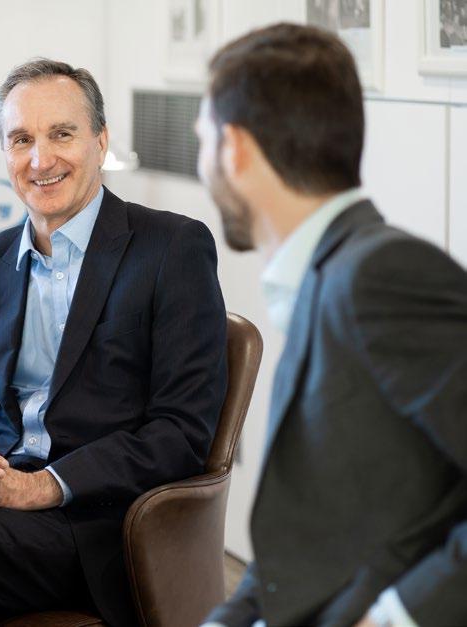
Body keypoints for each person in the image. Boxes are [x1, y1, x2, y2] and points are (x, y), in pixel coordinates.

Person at [0, 58, 228, 626]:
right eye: (22, 139)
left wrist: (41, 487)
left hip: (99, 527)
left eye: (61, 134)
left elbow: (181, 432)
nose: (40, 160)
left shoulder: (172, 249)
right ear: (5, 152)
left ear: (100, 141)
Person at [194, 23, 467, 627]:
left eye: (203, 140)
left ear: (234, 149)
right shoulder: (328, 276)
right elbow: (306, 549)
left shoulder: (379, 275)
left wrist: (395, 618)